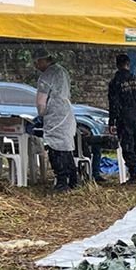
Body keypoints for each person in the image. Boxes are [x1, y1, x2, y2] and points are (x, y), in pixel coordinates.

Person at [33, 52, 78, 191]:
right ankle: (73, 179)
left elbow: (41, 101)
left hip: (54, 114)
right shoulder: (62, 71)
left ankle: (62, 181)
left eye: (36, 62)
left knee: (55, 149)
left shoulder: (46, 75)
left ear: (42, 60)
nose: (35, 66)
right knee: (67, 147)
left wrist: (41, 115)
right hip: (66, 112)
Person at [107, 53, 136, 183]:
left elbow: (113, 104)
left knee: (127, 147)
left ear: (117, 65)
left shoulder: (115, 83)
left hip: (124, 119)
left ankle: (133, 175)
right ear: (128, 64)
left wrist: (112, 122)